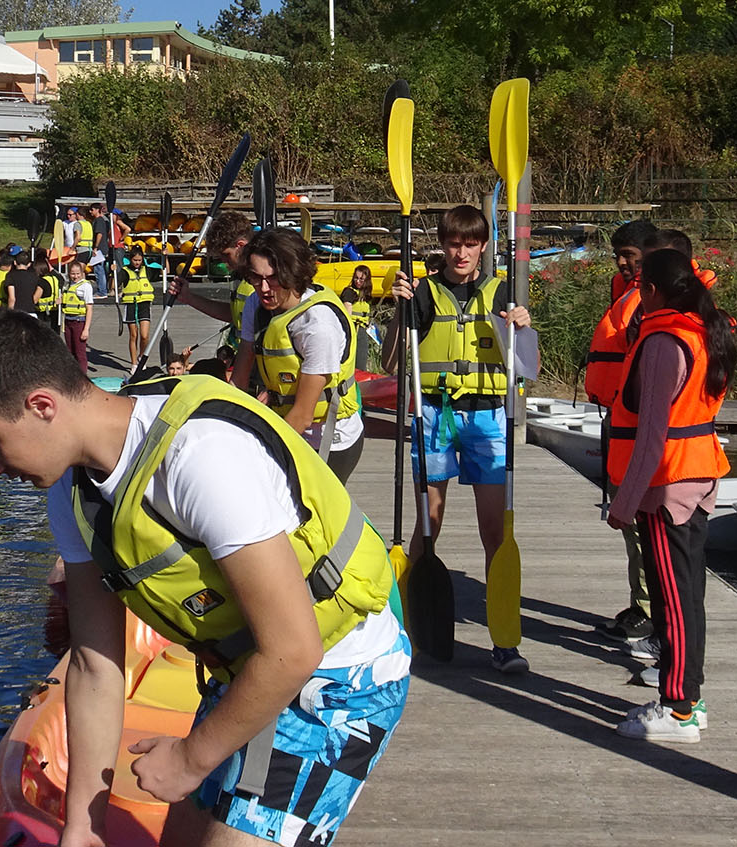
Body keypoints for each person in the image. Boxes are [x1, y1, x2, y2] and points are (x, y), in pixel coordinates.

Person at [0, 312, 410, 845]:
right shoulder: (73, 488)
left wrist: (189, 758)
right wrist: (85, 825)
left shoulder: (200, 457)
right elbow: (92, 661)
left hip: (339, 676)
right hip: (245, 670)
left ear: (42, 406)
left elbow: (294, 651)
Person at [387, 204, 539, 675]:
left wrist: (523, 328)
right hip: (437, 413)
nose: (461, 253)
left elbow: (528, 368)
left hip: (487, 418)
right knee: (429, 522)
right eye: (454, 243)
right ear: (443, 244)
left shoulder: (501, 294)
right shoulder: (422, 294)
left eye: (471, 244)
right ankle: (408, 628)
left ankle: (504, 639)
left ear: (483, 247)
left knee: (495, 530)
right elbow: (394, 361)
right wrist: (398, 311)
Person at [605, 248, 735, 744]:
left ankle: (678, 708)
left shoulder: (663, 342)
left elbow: (652, 433)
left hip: (667, 486)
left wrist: (624, 501)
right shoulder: (702, 331)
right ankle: (690, 700)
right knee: (686, 593)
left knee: (673, 599)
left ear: (653, 290)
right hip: (695, 476)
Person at [584, 219, 657, 645]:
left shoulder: (653, 301)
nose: (622, 264)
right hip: (619, 421)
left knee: (643, 524)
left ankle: (649, 611)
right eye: (619, 256)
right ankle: (639, 604)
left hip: (639, 430)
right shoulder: (630, 294)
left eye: (629, 256)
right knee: (631, 526)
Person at [246, 228, 367, 484]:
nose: (264, 288)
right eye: (256, 278)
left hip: (330, 441)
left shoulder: (317, 326)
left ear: (294, 272)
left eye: (274, 278)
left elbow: (302, 414)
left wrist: (258, 455)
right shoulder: (263, 307)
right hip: (293, 430)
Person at [175, 211, 260, 383]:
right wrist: (189, 298)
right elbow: (233, 314)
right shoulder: (243, 278)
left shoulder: (263, 283)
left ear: (241, 245)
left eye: (226, 255)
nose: (224, 263)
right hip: (245, 366)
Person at [120, 247, 156, 368]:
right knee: (133, 335)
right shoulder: (125, 271)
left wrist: (165, 257)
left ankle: (141, 356)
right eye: (135, 260)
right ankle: (134, 363)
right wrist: (113, 273)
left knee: (144, 335)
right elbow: (113, 284)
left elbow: (165, 271)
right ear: (130, 259)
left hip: (144, 304)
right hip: (131, 304)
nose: (137, 262)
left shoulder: (147, 270)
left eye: (139, 260)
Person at [59, 259, 94, 372]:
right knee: (70, 352)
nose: (75, 276)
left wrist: (86, 329)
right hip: (68, 321)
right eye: (73, 273)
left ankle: (83, 378)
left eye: (78, 273)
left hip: (79, 322)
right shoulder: (68, 285)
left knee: (80, 353)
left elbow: (89, 308)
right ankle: (72, 378)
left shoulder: (85, 286)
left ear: (82, 273)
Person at [4, 246, 42, 314]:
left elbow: (12, 298)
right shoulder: (34, 276)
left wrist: (9, 313)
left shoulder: (10, 276)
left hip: (17, 312)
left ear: (15, 262)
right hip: (31, 312)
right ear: (29, 264)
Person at [33, 254, 63, 328]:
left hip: (44, 314)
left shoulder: (42, 282)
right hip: (55, 311)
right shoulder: (55, 278)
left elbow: (35, 300)